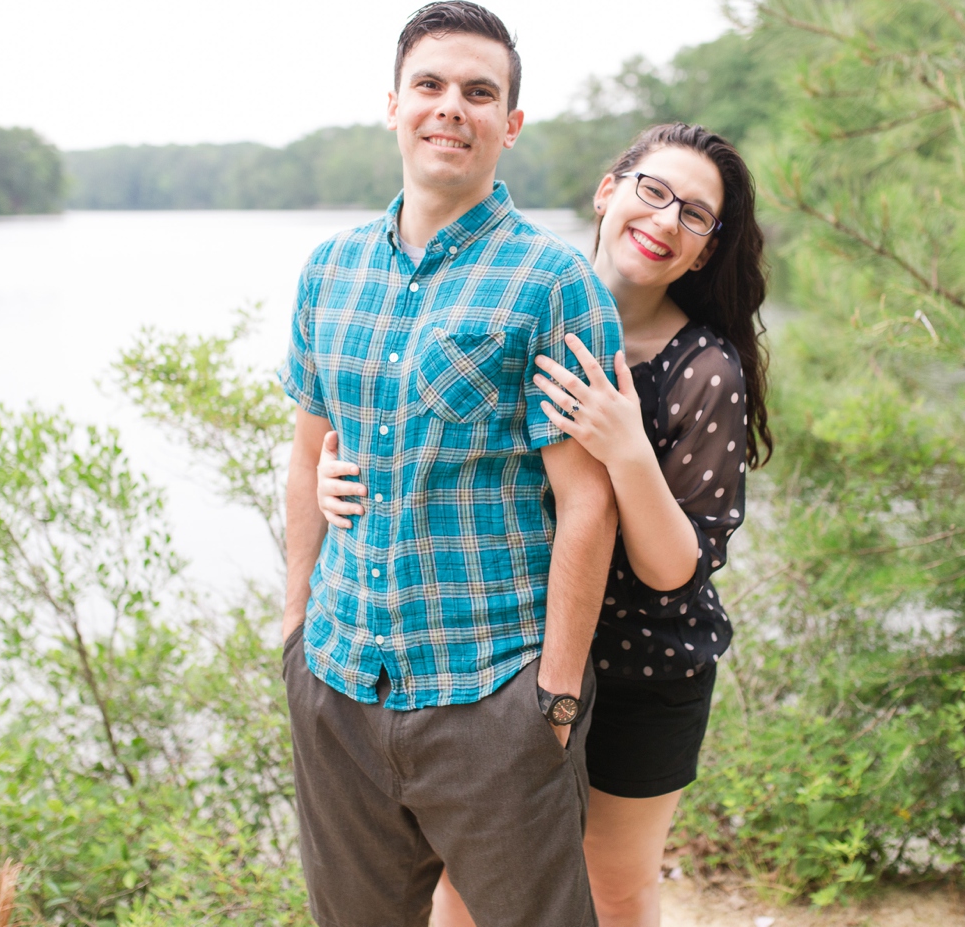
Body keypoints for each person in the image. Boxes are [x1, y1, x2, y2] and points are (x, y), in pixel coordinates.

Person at [319, 123, 772, 927]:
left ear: (705, 251)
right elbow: (428, 443)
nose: (666, 221)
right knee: (466, 880)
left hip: (639, 664)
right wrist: (337, 476)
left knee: (615, 885)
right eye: (653, 192)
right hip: (501, 653)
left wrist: (628, 447)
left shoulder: (704, 370)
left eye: (695, 216)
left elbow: (677, 568)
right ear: (608, 191)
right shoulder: (522, 294)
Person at [278, 0, 623, 927]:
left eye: (479, 92)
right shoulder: (329, 271)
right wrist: (294, 631)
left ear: (508, 125)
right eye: (429, 85)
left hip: (491, 697)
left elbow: (587, 505)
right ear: (392, 104)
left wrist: (552, 697)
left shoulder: (553, 283)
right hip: (340, 684)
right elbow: (310, 452)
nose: (450, 108)